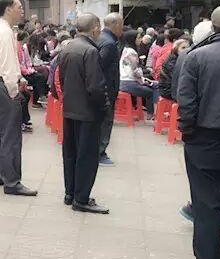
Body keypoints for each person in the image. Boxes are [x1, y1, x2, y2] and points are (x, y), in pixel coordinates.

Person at [177, 5, 220, 259]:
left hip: (206, 138)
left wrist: (188, 133)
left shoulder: (197, 56)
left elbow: (187, 102)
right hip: (206, 135)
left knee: (207, 203)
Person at [0, 0, 38, 196]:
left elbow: (8, 63)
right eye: (19, 7)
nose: (22, 11)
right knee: (11, 135)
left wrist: (18, 77)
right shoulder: (5, 31)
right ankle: (12, 181)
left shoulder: (0, 29)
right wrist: (14, 90)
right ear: (8, 9)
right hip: (3, 85)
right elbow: (8, 64)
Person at [58, 13, 109, 214]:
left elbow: (61, 79)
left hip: (70, 108)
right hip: (87, 111)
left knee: (70, 153)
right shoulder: (90, 51)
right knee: (86, 156)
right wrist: (103, 106)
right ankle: (81, 198)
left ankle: (70, 193)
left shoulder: (67, 48)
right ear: (95, 28)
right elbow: (95, 86)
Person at [97, 13, 123, 167]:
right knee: (105, 122)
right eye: (121, 24)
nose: (122, 28)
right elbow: (99, 66)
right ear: (115, 24)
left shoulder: (101, 39)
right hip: (106, 89)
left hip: (103, 88)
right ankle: (100, 153)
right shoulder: (109, 44)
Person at [119, 30, 158, 117]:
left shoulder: (125, 49)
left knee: (152, 85)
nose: (140, 39)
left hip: (124, 81)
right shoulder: (131, 52)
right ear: (133, 39)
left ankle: (151, 113)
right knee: (152, 91)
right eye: (138, 37)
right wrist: (142, 78)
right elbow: (135, 70)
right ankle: (152, 113)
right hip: (129, 83)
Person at [158, 37, 190, 101]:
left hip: (172, 88)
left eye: (187, 48)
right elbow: (177, 79)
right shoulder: (172, 62)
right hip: (168, 91)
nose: (186, 50)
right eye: (183, 48)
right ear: (176, 49)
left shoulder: (180, 59)